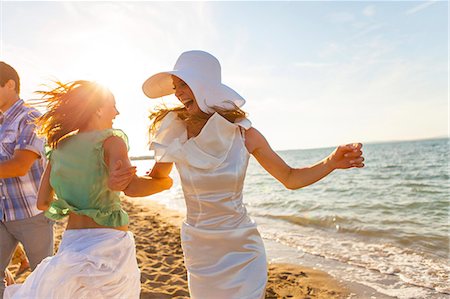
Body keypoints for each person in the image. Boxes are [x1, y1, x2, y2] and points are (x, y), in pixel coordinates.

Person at [117, 50, 364, 299]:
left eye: (184, 84)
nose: (178, 92)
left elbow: (290, 178)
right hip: (200, 249)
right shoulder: (174, 132)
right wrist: (124, 182)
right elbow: (157, 181)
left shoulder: (245, 135)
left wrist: (331, 162)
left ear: (204, 84)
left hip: (242, 248)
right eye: (175, 86)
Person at [4, 80, 173, 298]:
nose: (117, 112)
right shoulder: (111, 141)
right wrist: (165, 181)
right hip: (109, 244)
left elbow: (42, 203)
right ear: (98, 108)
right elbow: (132, 188)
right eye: (113, 105)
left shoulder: (58, 147)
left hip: (72, 242)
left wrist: (75, 204)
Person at [0, 62, 53, 299]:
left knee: (45, 279)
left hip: (32, 215)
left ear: (10, 84)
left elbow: (20, 166)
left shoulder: (31, 117)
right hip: (3, 214)